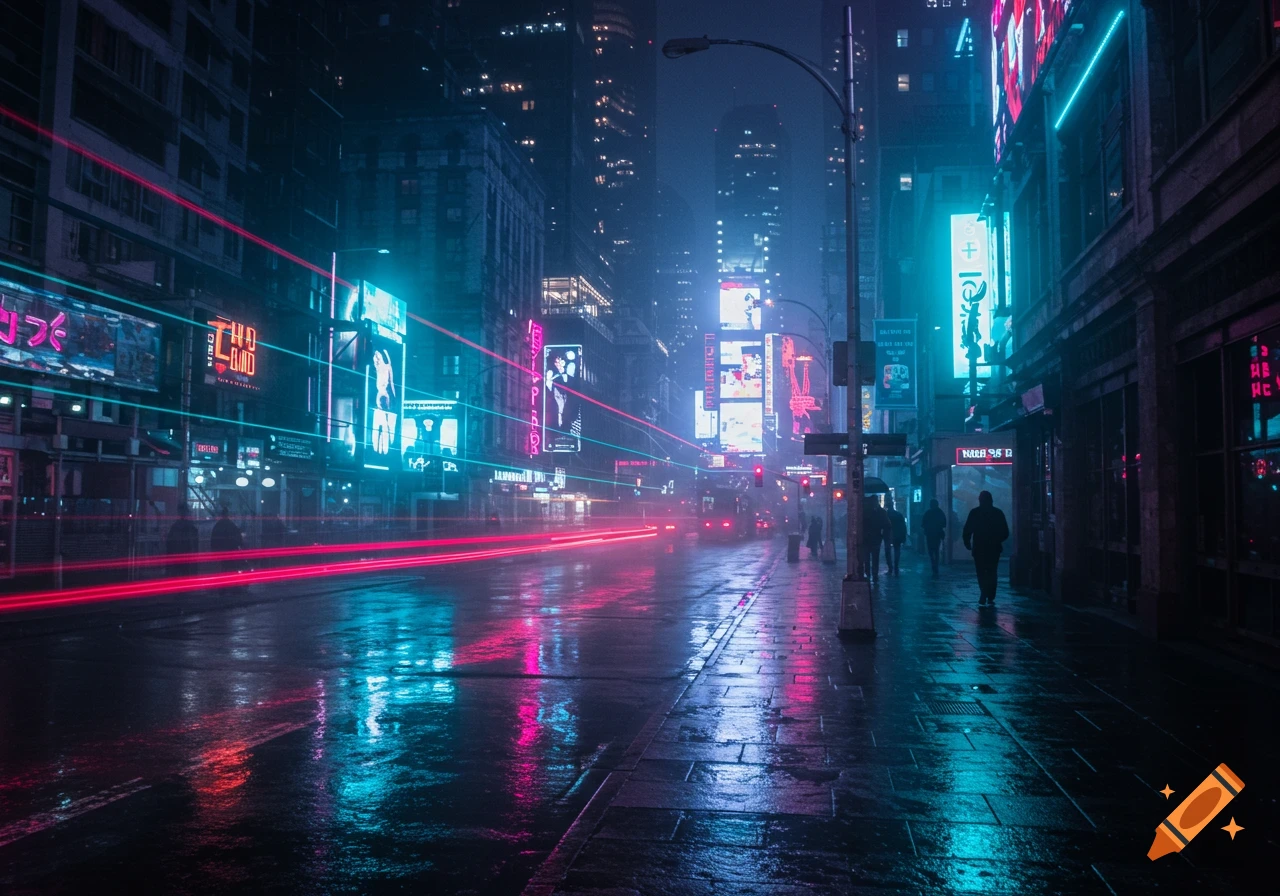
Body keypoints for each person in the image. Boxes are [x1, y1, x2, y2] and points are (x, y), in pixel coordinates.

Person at [962, 490, 1010, 606]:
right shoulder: (998, 513)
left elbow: (967, 530)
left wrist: (967, 542)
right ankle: (991, 595)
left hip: (979, 548)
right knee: (992, 571)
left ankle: (984, 593)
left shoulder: (975, 513)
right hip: (994, 548)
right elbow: (1005, 532)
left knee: (981, 572)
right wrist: (997, 540)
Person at [165, 503, 200, 577]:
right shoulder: (191, 528)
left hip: (178, 558)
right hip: (185, 559)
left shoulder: (175, 527)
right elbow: (194, 546)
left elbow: (169, 545)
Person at [861, 497, 890, 584]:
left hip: (871, 538)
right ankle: (872, 574)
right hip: (873, 538)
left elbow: (886, 525)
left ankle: (871, 574)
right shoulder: (881, 512)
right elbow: (887, 525)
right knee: (872, 558)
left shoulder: (865, 512)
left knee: (870, 558)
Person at [210, 506, 244, 576]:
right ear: (227, 514)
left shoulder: (218, 525)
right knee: (231, 569)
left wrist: (215, 551)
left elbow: (213, 541)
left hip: (221, 552)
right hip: (231, 552)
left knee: (224, 568)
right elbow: (239, 539)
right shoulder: (232, 525)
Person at [922, 498, 947, 576]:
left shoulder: (928, 513)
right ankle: (936, 565)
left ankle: (933, 564)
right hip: (938, 534)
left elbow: (923, 524)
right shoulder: (940, 512)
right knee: (936, 550)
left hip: (929, 534)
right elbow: (944, 524)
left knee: (930, 550)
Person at [886, 501, 907, 575]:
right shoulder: (898, 514)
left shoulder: (886, 514)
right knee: (897, 551)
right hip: (897, 535)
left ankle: (890, 567)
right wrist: (903, 536)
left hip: (888, 536)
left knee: (888, 551)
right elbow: (903, 526)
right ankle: (896, 566)